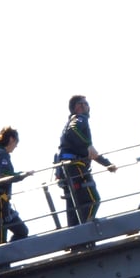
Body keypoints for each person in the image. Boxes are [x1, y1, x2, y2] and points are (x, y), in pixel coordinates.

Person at [56, 95, 118, 227]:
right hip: (76, 167)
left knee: (74, 206)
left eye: (86, 103)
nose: (86, 106)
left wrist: (107, 164)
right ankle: (85, 229)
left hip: (68, 169)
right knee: (93, 199)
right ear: (76, 107)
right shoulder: (79, 119)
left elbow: (91, 153)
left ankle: (76, 237)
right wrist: (88, 143)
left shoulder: (73, 123)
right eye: (82, 103)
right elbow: (75, 131)